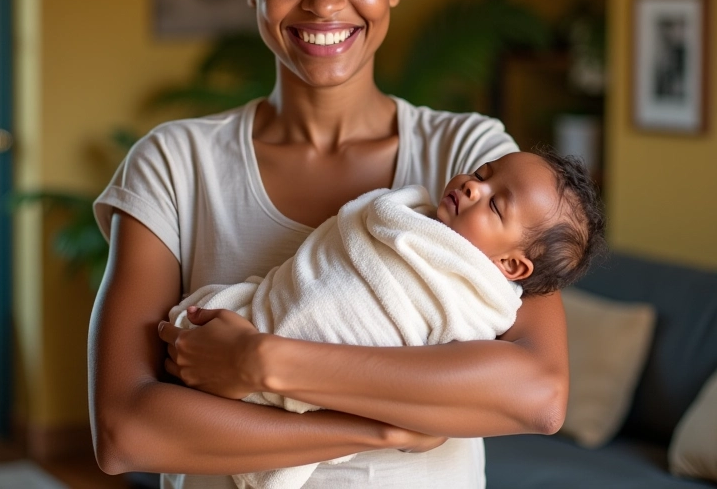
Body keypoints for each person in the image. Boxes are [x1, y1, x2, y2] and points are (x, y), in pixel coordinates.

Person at [89, 0, 572, 489]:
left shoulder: (470, 156)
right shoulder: (173, 166)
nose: (323, 3)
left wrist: (265, 363)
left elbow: (537, 394)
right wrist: (382, 428)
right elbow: (126, 432)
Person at [169, 150, 605, 489]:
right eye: (482, 173)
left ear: (511, 266)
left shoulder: (479, 302)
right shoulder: (404, 216)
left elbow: (537, 399)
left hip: (299, 399)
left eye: (495, 205)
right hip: (255, 321)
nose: (474, 186)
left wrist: (261, 360)